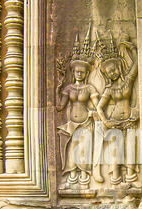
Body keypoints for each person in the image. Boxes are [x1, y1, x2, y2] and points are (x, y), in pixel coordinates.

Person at [57, 26, 100, 189]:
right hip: (72, 124)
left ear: (86, 73)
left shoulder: (90, 88)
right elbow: (61, 107)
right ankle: (72, 176)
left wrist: (97, 113)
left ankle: (84, 176)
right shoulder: (68, 88)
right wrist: (57, 90)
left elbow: (97, 105)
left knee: (84, 149)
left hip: (86, 122)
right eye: (76, 71)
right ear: (73, 72)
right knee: (72, 150)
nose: (79, 74)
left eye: (82, 72)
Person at [95, 32, 139, 186]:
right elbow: (99, 107)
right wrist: (106, 121)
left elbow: (136, 64)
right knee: (116, 151)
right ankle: (115, 181)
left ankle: (131, 178)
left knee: (131, 149)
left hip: (129, 120)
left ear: (119, 66)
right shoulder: (109, 89)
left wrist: (131, 48)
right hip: (115, 121)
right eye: (109, 73)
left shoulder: (128, 80)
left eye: (113, 69)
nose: (112, 73)